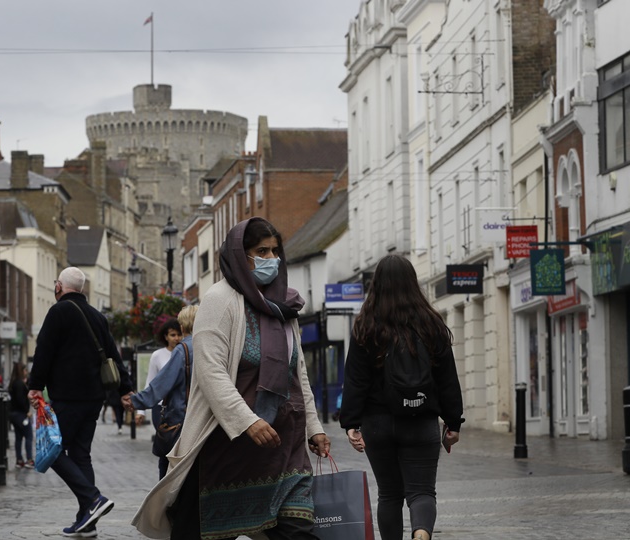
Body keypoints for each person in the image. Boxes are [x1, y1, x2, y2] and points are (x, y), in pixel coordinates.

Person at [132, 217, 331, 540]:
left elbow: (298, 375)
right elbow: (210, 371)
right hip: (228, 448)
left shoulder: (284, 307)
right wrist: (247, 421)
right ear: (240, 254)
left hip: (284, 447)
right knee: (203, 528)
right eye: (261, 251)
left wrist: (315, 428)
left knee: (297, 531)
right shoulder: (219, 300)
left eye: (275, 251)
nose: (271, 259)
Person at [339, 254, 464, 540]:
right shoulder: (431, 324)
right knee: (421, 491)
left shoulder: (366, 326)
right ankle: (421, 534)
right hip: (421, 419)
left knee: (390, 494)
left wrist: (351, 424)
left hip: (377, 423)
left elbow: (355, 379)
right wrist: (453, 422)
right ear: (412, 283)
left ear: (377, 285)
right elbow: (447, 379)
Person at [27, 266, 133, 537]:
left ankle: (93, 498)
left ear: (59, 287)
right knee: (80, 454)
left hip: (68, 396)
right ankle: (88, 522)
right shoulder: (97, 316)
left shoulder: (58, 312)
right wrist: (125, 388)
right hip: (95, 397)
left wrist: (35, 386)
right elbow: (112, 354)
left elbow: (44, 351)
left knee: (52, 452)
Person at [123, 305, 198, 480]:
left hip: (182, 417)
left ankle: (167, 505)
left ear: (182, 326)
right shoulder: (209, 345)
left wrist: (135, 401)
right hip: (203, 418)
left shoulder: (183, 350)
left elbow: (161, 385)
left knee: (167, 465)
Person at [135, 318, 182, 427]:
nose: (177, 338)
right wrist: (141, 411)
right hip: (161, 407)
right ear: (166, 337)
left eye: (179, 334)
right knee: (163, 441)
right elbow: (150, 383)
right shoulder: (157, 355)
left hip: (180, 407)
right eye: (173, 335)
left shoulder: (186, 354)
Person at [8, 363, 34, 469]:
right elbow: (20, 399)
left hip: (14, 414)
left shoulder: (14, 382)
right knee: (29, 436)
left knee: (18, 437)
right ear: (21, 371)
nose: (26, 372)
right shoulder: (19, 384)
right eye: (25, 370)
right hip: (21, 414)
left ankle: (19, 460)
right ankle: (29, 460)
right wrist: (26, 411)